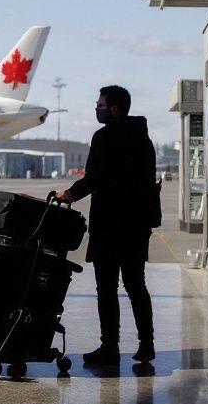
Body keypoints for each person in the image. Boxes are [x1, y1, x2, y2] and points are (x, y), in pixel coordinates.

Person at [56, 85, 156, 365]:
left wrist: (70, 194)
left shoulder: (104, 137)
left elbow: (94, 178)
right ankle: (147, 344)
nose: (96, 109)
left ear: (113, 108)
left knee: (107, 288)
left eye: (100, 105)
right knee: (136, 284)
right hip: (137, 224)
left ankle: (109, 347)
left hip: (110, 225)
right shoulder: (143, 138)